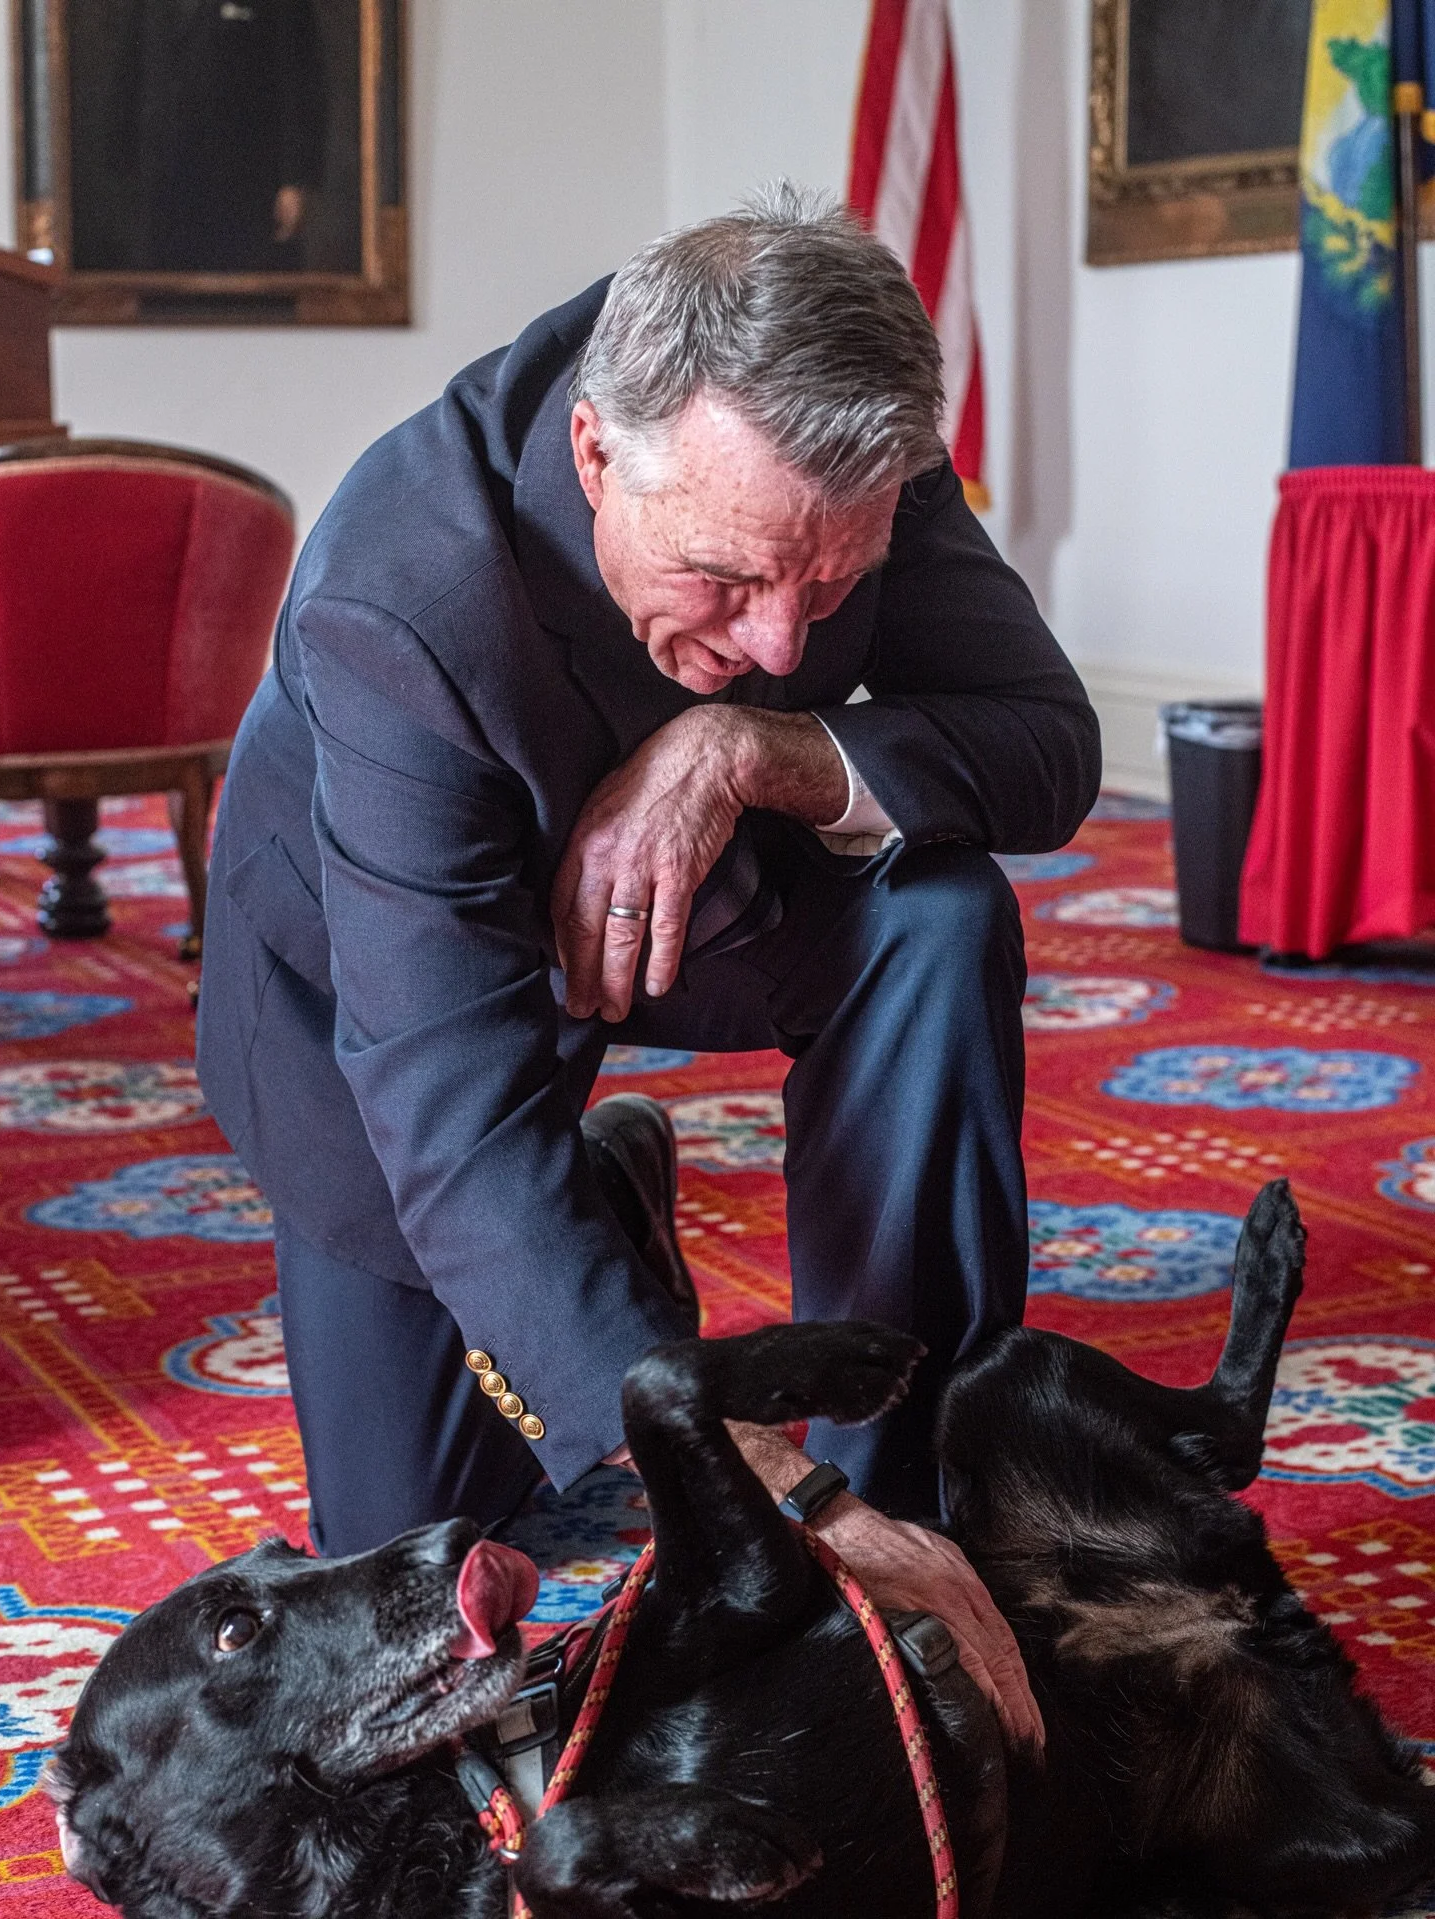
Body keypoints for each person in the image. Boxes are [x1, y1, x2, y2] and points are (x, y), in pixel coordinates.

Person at [197, 187, 1100, 1747]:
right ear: (598, 454)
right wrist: (778, 1487)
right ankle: (608, 1192)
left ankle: (909, 1467)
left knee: (940, 914)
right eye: (727, 580)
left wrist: (754, 745)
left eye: (827, 588)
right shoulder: (397, 596)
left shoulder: (841, 442)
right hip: (377, 988)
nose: (779, 639)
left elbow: (1049, 745)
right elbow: (455, 1117)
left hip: (691, 892)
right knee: (410, 1565)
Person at [106, 0, 325, 272]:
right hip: (163, 182)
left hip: (246, 184)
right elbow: (128, 73)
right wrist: (121, 170)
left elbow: (300, 84)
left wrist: (294, 180)